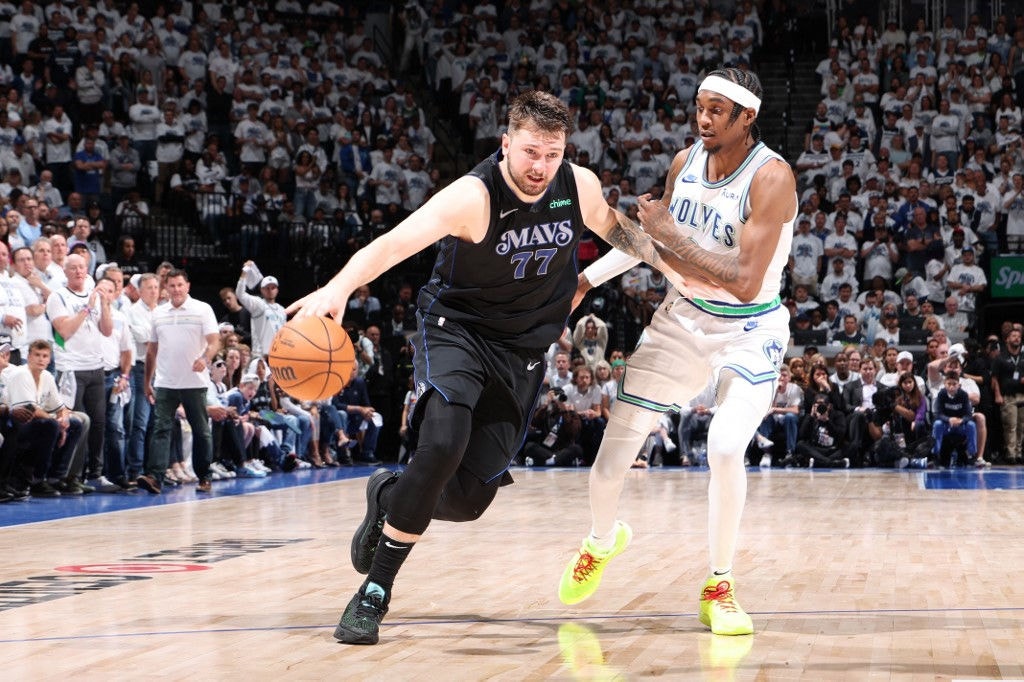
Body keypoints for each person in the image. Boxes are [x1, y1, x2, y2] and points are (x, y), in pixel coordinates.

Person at [287, 90, 682, 645]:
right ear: (505, 144)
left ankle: (388, 493)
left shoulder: (578, 185)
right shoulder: (473, 196)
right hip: (458, 333)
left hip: (520, 354)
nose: (540, 166)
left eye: (551, 153)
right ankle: (374, 593)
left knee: (469, 500)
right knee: (442, 443)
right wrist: (339, 287)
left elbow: (614, 228)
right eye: (529, 152)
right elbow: (394, 243)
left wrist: (676, 263)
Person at [556, 68, 795, 637]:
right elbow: (650, 243)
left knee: (726, 445)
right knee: (611, 461)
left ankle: (719, 586)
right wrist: (586, 280)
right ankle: (601, 540)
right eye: (699, 107)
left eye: (718, 110)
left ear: (747, 117)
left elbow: (741, 280)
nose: (704, 119)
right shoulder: (685, 163)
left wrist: (668, 231)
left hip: (750, 325)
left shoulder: (772, 178)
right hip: (681, 319)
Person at [137, 269, 219, 494]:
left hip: (194, 382)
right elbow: (152, 350)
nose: (176, 290)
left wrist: (205, 358)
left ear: (188, 286)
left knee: (201, 431)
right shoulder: (159, 313)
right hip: (165, 382)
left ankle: (204, 476)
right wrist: (147, 381)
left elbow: (214, 341)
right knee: (161, 429)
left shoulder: (202, 309)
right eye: (172, 286)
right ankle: (155, 477)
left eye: (180, 285)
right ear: (167, 288)